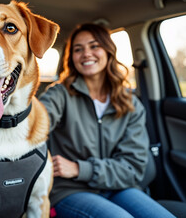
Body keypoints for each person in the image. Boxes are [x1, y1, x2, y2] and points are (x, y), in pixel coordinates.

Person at [39, 23, 175, 218]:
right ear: (72, 58)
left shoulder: (131, 105)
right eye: (78, 49)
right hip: (70, 190)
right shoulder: (59, 94)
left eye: (94, 46)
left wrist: (80, 168)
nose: (86, 53)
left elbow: (133, 168)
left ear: (108, 51)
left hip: (120, 187)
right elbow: (36, 122)